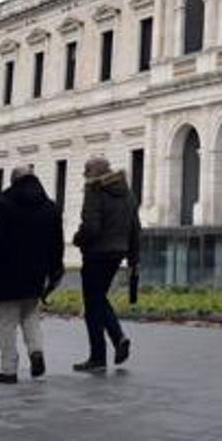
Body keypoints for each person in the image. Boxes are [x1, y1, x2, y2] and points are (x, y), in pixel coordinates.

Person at [0, 164, 64, 384]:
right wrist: (55, 271)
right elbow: (57, 245)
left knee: (6, 322)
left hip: (5, 273)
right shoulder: (50, 208)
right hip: (35, 273)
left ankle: (8, 370)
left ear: (13, 181)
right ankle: (36, 351)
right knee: (30, 316)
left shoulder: (3, 204)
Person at [71, 158, 140, 372]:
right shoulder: (127, 193)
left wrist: (77, 239)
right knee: (98, 298)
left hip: (96, 254)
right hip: (117, 253)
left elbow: (91, 227)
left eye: (86, 170)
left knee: (93, 303)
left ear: (96, 172)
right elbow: (135, 228)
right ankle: (116, 341)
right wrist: (133, 259)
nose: (84, 174)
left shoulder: (95, 190)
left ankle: (99, 356)